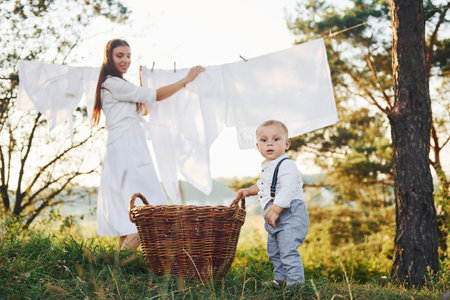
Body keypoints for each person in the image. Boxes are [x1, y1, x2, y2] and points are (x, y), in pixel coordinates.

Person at [92, 39, 204, 250]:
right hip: (126, 148)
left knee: (130, 211)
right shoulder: (114, 83)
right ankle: (122, 267)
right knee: (147, 209)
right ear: (109, 57)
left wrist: (143, 81)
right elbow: (155, 96)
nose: (126, 60)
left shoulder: (117, 85)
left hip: (124, 146)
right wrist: (186, 80)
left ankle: (119, 268)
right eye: (120, 55)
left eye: (128, 55)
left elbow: (142, 108)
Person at [236, 120, 309, 288]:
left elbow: (288, 188)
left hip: (289, 213)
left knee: (288, 250)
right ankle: (281, 280)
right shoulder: (268, 166)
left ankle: (296, 285)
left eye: (276, 139)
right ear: (258, 145)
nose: (269, 143)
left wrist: (276, 209)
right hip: (273, 215)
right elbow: (263, 186)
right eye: (264, 140)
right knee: (275, 251)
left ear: (287, 143)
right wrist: (248, 190)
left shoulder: (286, 165)